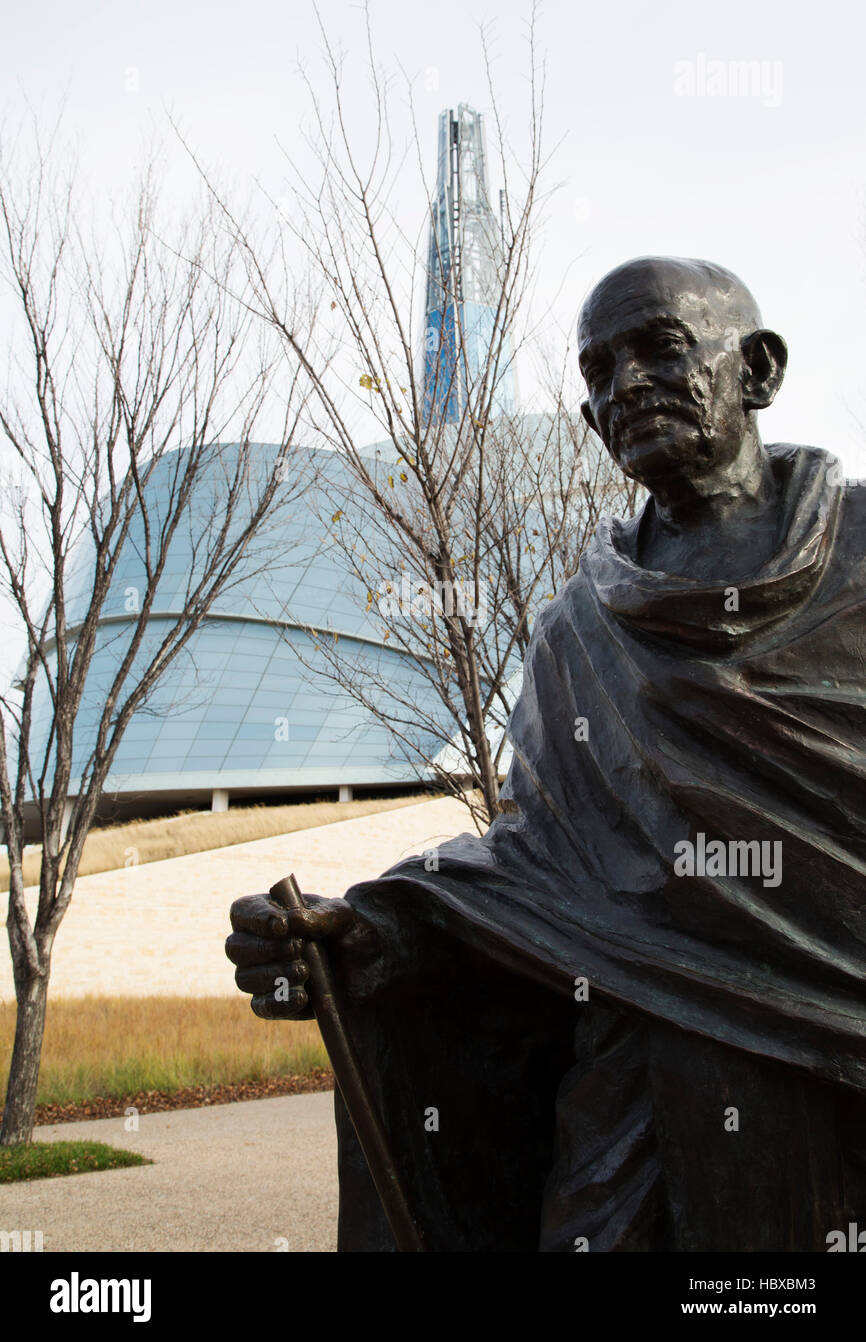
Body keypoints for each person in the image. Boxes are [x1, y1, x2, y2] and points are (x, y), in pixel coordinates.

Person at [226, 257, 866, 1251]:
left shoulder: (858, 558)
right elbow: (539, 860)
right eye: (598, 370)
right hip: (632, 1083)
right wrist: (368, 932)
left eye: (659, 347)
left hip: (828, 1065)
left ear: (759, 369)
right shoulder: (578, 629)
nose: (625, 385)